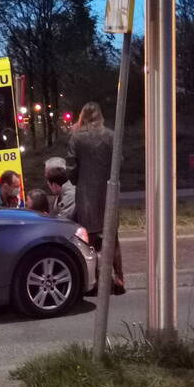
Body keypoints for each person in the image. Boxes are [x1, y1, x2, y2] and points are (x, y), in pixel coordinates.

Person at [68, 102, 125, 295]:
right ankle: (119, 279)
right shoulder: (111, 136)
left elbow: (71, 166)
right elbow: (120, 162)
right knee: (112, 238)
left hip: (86, 194)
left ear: (82, 115)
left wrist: (76, 180)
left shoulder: (77, 138)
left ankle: (95, 282)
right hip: (108, 193)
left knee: (90, 240)